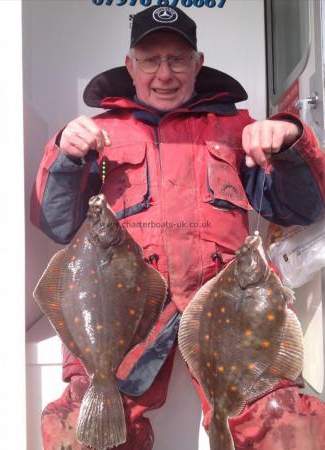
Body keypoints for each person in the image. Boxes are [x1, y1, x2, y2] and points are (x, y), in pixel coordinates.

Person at [31, 5, 325, 450]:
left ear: (197, 64)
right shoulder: (95, 133)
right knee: (82, 419)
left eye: (177, 59)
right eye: (150, 60)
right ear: (131, 67)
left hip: (226, 303)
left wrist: (287, 142)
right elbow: (56, 222)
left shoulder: (238, 127)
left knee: (281, 419)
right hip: (126, 303)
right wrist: (65, 154)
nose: (164, 73)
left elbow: (300, 209)